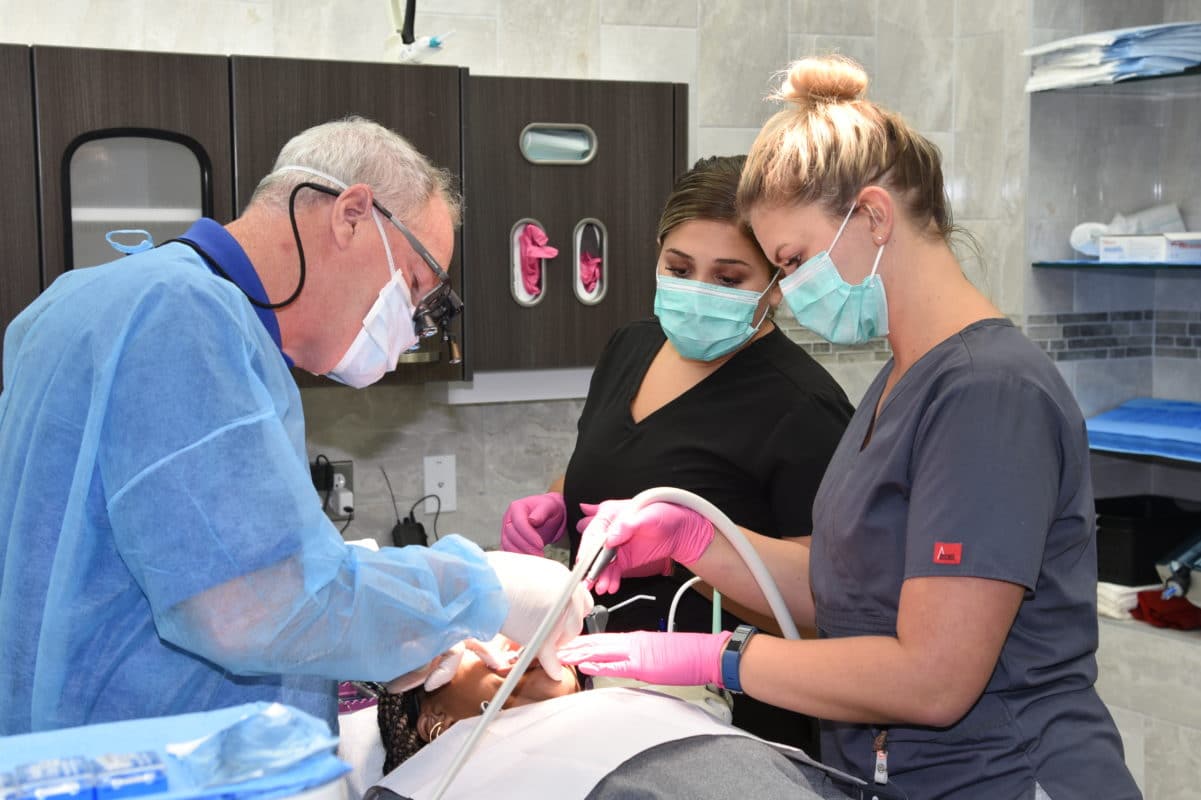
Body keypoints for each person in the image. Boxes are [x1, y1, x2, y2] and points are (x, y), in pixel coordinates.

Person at [558, 56, 1142, 800]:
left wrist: (716, 659)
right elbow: (851, 596)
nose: (791, 290)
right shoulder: (901, 381)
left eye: (792, 261)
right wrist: (697, 541)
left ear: (870, 216)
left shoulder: (988, 394)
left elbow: (932, 678)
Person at [0, 116, 591, 736]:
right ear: (353, 214)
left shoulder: (79, 300)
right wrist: (482, 586)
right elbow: (249, 608)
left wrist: (392, 635)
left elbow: (166, 561)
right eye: (417, 288)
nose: (413, 323)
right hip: (163, 763)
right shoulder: (184, 321)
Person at [500, 155, 852, 749]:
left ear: (775, 285)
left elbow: (825, 612)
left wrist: (689, 553)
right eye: (679, 267)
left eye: (729, 278)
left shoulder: (803, 405)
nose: (698, 292)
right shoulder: (631, 347)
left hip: (735, 727)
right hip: (605, 700)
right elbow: (625, 464)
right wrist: (561, 503)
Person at [339, 635, 883, 800]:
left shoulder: (623, 706)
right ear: (433, 719)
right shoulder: (442, 780)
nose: (504, 636)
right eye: (468, 640)